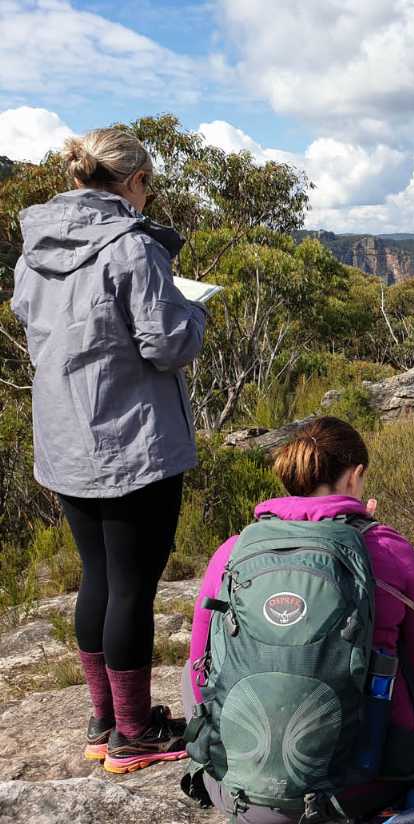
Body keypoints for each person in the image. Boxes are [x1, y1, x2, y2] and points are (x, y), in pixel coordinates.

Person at [10, 128, 207, 772]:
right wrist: (194, 311)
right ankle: (134, 734)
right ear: (133, 182)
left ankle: (105, 722)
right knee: (132, 590)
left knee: (97, 579)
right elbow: (169, 343)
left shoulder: (34, 247)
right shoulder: (132, 247)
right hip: (131, 444)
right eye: (148, 185)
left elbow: (30, 319)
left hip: (66, 438)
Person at [185, 416, 414, 822]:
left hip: (245, 796)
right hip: (362, 788)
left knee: (192, 668)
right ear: (355, 477)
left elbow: (199, 677)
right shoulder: (384, 547)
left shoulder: (233, 552)